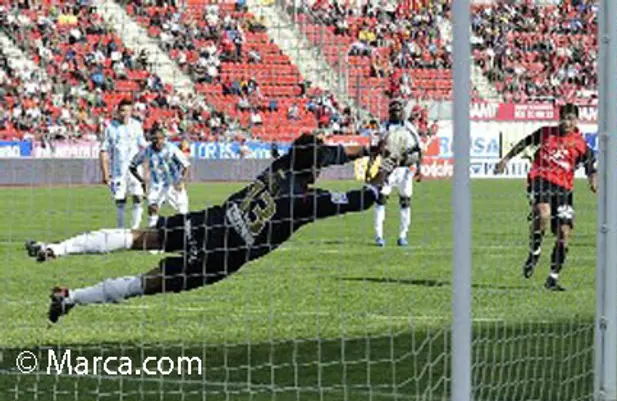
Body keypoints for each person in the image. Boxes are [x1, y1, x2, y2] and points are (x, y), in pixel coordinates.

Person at [26, 132, 405, 323]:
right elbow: (362, 199)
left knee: (137, 237)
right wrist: (384, 172)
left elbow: (325, 154)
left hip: (210, 221)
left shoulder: (283, 165)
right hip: (222, 255)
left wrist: (370, 149)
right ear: (317, 167)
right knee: (148, 282)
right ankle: (71, 297)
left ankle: (55, 248)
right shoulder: (305, 202)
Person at [495, 103, 597, 291]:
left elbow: (590, 162)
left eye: (571, 119)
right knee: (543, 213)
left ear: (576, 120)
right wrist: (506, 159)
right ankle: (534, 252)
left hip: (564, 190)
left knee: (564, 233)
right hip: (541, 180)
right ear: (559, 118)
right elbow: (524, 143)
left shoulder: (579, 143)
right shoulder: (545, 133)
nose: (567, 122)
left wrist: (592, 179)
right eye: (564, 118)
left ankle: (552, 278)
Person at [373, 98, 421, 247]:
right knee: (381, 200)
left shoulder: (409, 127)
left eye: (398, 111)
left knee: (405, 201)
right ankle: (379, 235)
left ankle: (402, 235)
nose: (396, 113)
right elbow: (376, 147)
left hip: (405, 169)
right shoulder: (384, 128)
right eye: (393, 111)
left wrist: (419, 168)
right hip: (388, 168)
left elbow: (418, 148)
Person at [99, 99, 148, 229]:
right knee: (120, 200)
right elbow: (104, 150)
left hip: (135, 170)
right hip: (118, 171)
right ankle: (120, 229)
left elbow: (144, 146)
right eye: (122, 110)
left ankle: (135, 228)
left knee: (138, 197)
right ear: (118, 111)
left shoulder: (137, 125)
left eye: (127, 110)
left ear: (131, 111)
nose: (125, 113)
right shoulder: (110, 128)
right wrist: (105, 173)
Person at [129, 125, 190, 228]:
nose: (158, 141)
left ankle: (185, 232)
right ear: (151, 139)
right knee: (152, 208)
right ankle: (152, 230)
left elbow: (186, 166)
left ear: (164, 138)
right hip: (156, 185)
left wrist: (180, 180)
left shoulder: (172, 149)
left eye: (161, 138)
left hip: (173, 184)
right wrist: (142, 181)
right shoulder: (146, 151)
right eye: (155, 139)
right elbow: (132, 166)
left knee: (182, 211)